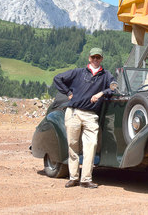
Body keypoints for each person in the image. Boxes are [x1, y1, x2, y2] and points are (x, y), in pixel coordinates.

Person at [53, 47, 116, 189]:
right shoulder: (78, 72)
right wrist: (68, 92)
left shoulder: (106, 75)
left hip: (91, 115)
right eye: (93, 57)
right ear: (89, 58)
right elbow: (58, 78)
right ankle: (73, 177)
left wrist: (101, 94)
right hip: (74, 112)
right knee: (73, 146)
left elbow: (114, 86)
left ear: (102, 59)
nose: (95, 60)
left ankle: (86, 179)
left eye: (98, 57)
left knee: (91, 146)